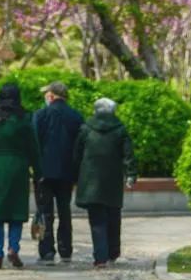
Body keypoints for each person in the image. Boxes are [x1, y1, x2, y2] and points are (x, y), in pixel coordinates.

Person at [0, 81, 41, 270]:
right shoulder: (24, 118)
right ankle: (13, 247)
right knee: (16, 212)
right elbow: (33, 148)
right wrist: (38, 171)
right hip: (17, 168)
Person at [73, 96, 137, 269]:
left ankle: (100, 257)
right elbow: (128, 155)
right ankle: (113, 252)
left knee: (97, 220)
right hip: (112, 181)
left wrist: (75, 176)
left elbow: (76, 154)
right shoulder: (120, 130)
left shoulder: (86, 129)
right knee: (113, 216)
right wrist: (131, 175)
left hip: (90, 180)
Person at [32, 80, 84, 264]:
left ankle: (46, 251)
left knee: (44, 212)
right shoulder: (76, 117)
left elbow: (34, 143)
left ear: (51, 96)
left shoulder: (40, 115)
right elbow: (80, 147)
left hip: (43, 173)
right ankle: (66, 250)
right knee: (65, 211)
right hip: (67, 172)